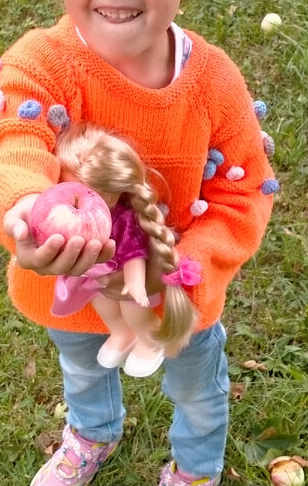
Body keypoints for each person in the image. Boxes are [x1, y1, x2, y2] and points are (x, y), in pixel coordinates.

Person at [0, 0, 279, 486]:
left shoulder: (214, 82)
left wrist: (186, 276)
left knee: (197, 388)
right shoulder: (40, 66)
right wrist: (26, 207)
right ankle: (92, 433)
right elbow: (17, 145)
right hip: (73, 289)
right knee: (83, 367)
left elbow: (242, 192)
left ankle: (195, 469)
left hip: (180, 299)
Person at [49, 124, 199, 379]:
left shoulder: (123, 221)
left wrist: (135, 282)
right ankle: (122, 333)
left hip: (125, 278)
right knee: (104, 306)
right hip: (95, 277)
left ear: (110, 197)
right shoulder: (76, 216)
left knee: (134, 311)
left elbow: (133, 253)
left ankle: (149, 338)